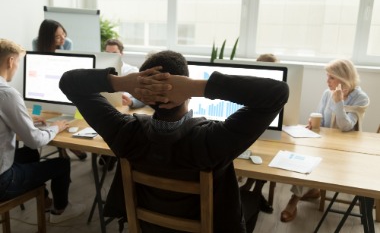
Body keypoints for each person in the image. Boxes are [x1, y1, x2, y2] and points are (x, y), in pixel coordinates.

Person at [60, 50, 289, 232]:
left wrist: (121, 83)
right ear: (185, 88)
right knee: (252, 200)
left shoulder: (124, 132)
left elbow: (68, 82)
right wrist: (197, 87)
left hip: (149, 229)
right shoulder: (214, 139)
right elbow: (277, 93)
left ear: (143, 94)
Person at [0, 39, 85, 223]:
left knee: (30, 155)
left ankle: (45, 200)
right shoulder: (7, 93)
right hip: (2, 182)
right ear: (10, 62)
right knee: (61, 164)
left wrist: (25, 120)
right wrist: (57, 127)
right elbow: (34, 140)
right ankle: (61, 211)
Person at [280, 58, 370, 223]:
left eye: (331, 77)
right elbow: (320, 116)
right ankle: (307, 191)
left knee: (314, 159)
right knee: (305, 156)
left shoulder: (360, 98)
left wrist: (339, 102)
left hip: (348, 149)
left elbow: (346, 126)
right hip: (325, 142)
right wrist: (312, 123)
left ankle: (295, 199)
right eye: (327, 77)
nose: (327, 81)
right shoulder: (327, 93)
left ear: (343, 78)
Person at [32, 19, 86, 161]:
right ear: (48, 38)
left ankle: (69, 145)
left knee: (65, 113)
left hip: (61, 77)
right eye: (57, 36)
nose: (63, 38)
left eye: (63, 34)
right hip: (43, 79)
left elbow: (66, 65)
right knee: (37, 108)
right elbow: (37, 63)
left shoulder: (67, 43)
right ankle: (61, 148)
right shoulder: (36, 42)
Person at [239, 53, 280, 214]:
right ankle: (253, 191)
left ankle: (254, 190)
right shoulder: (250, 83)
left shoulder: (279, 85)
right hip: (249, 127)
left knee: (267, 156)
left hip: (269, 130)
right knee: (256, 154)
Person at [99, 39, 145, 171]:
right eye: (107, 53)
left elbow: (140, 97)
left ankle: (113, 155)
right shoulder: (99, 71)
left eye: (114, 53)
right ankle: (108, 153)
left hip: (123, 110)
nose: (111, 56)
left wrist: (130, 101)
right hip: (104, 107)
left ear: (121, 53)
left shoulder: (132, 70)